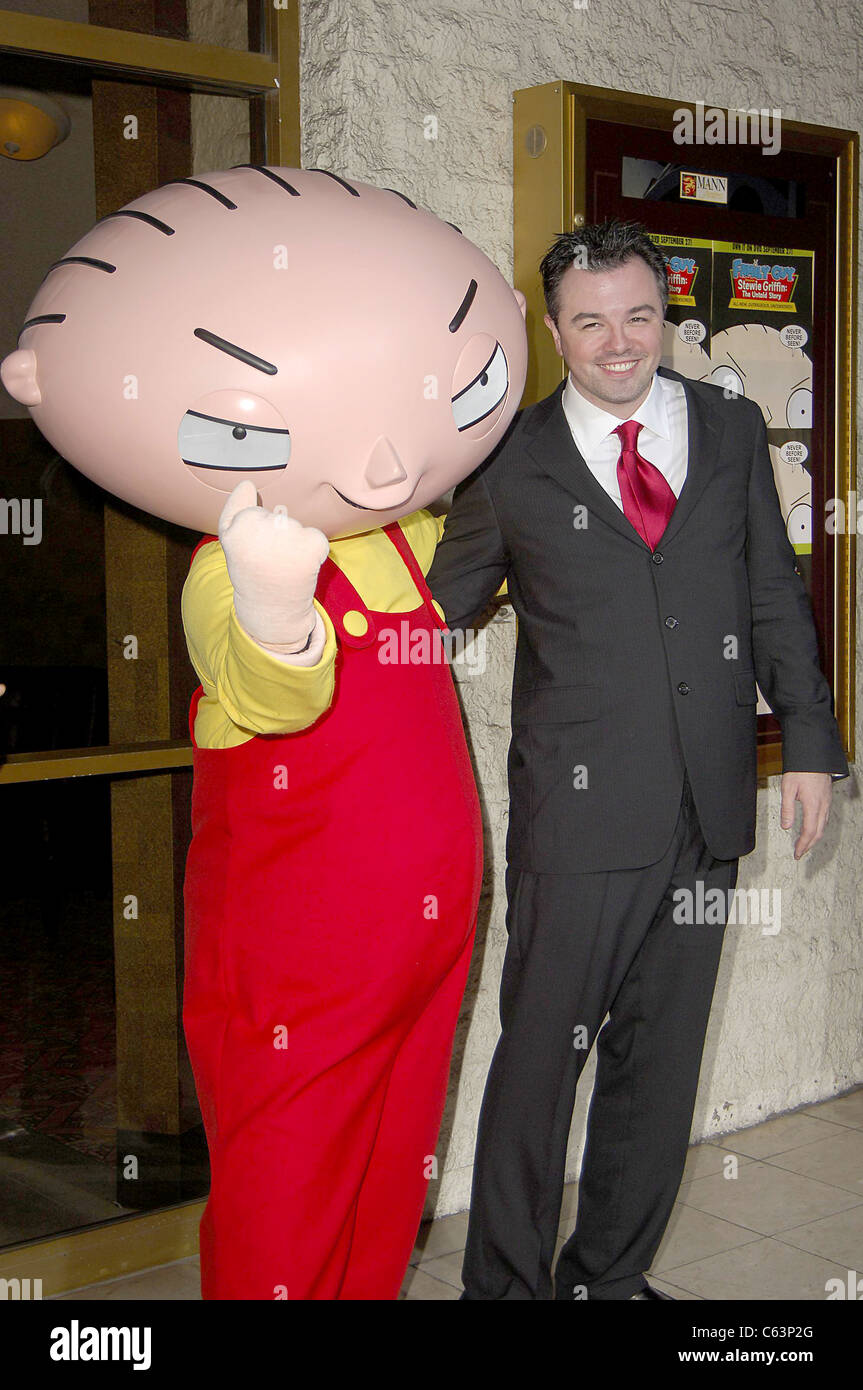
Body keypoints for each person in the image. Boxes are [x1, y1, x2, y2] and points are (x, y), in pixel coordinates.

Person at [427, 219, 848, 1301]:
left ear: (662, 313)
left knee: (656, 1070)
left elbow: (767, 594)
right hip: (576, 820)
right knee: (536, 1071)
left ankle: (603, 1281)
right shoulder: (507, 456)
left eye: (637, 316)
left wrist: (806, 743)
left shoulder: (726, 422)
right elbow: (439, 612)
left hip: (705, 808)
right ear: (554, 329)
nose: (618, 342)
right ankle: (505, 1292)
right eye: (588, 321)